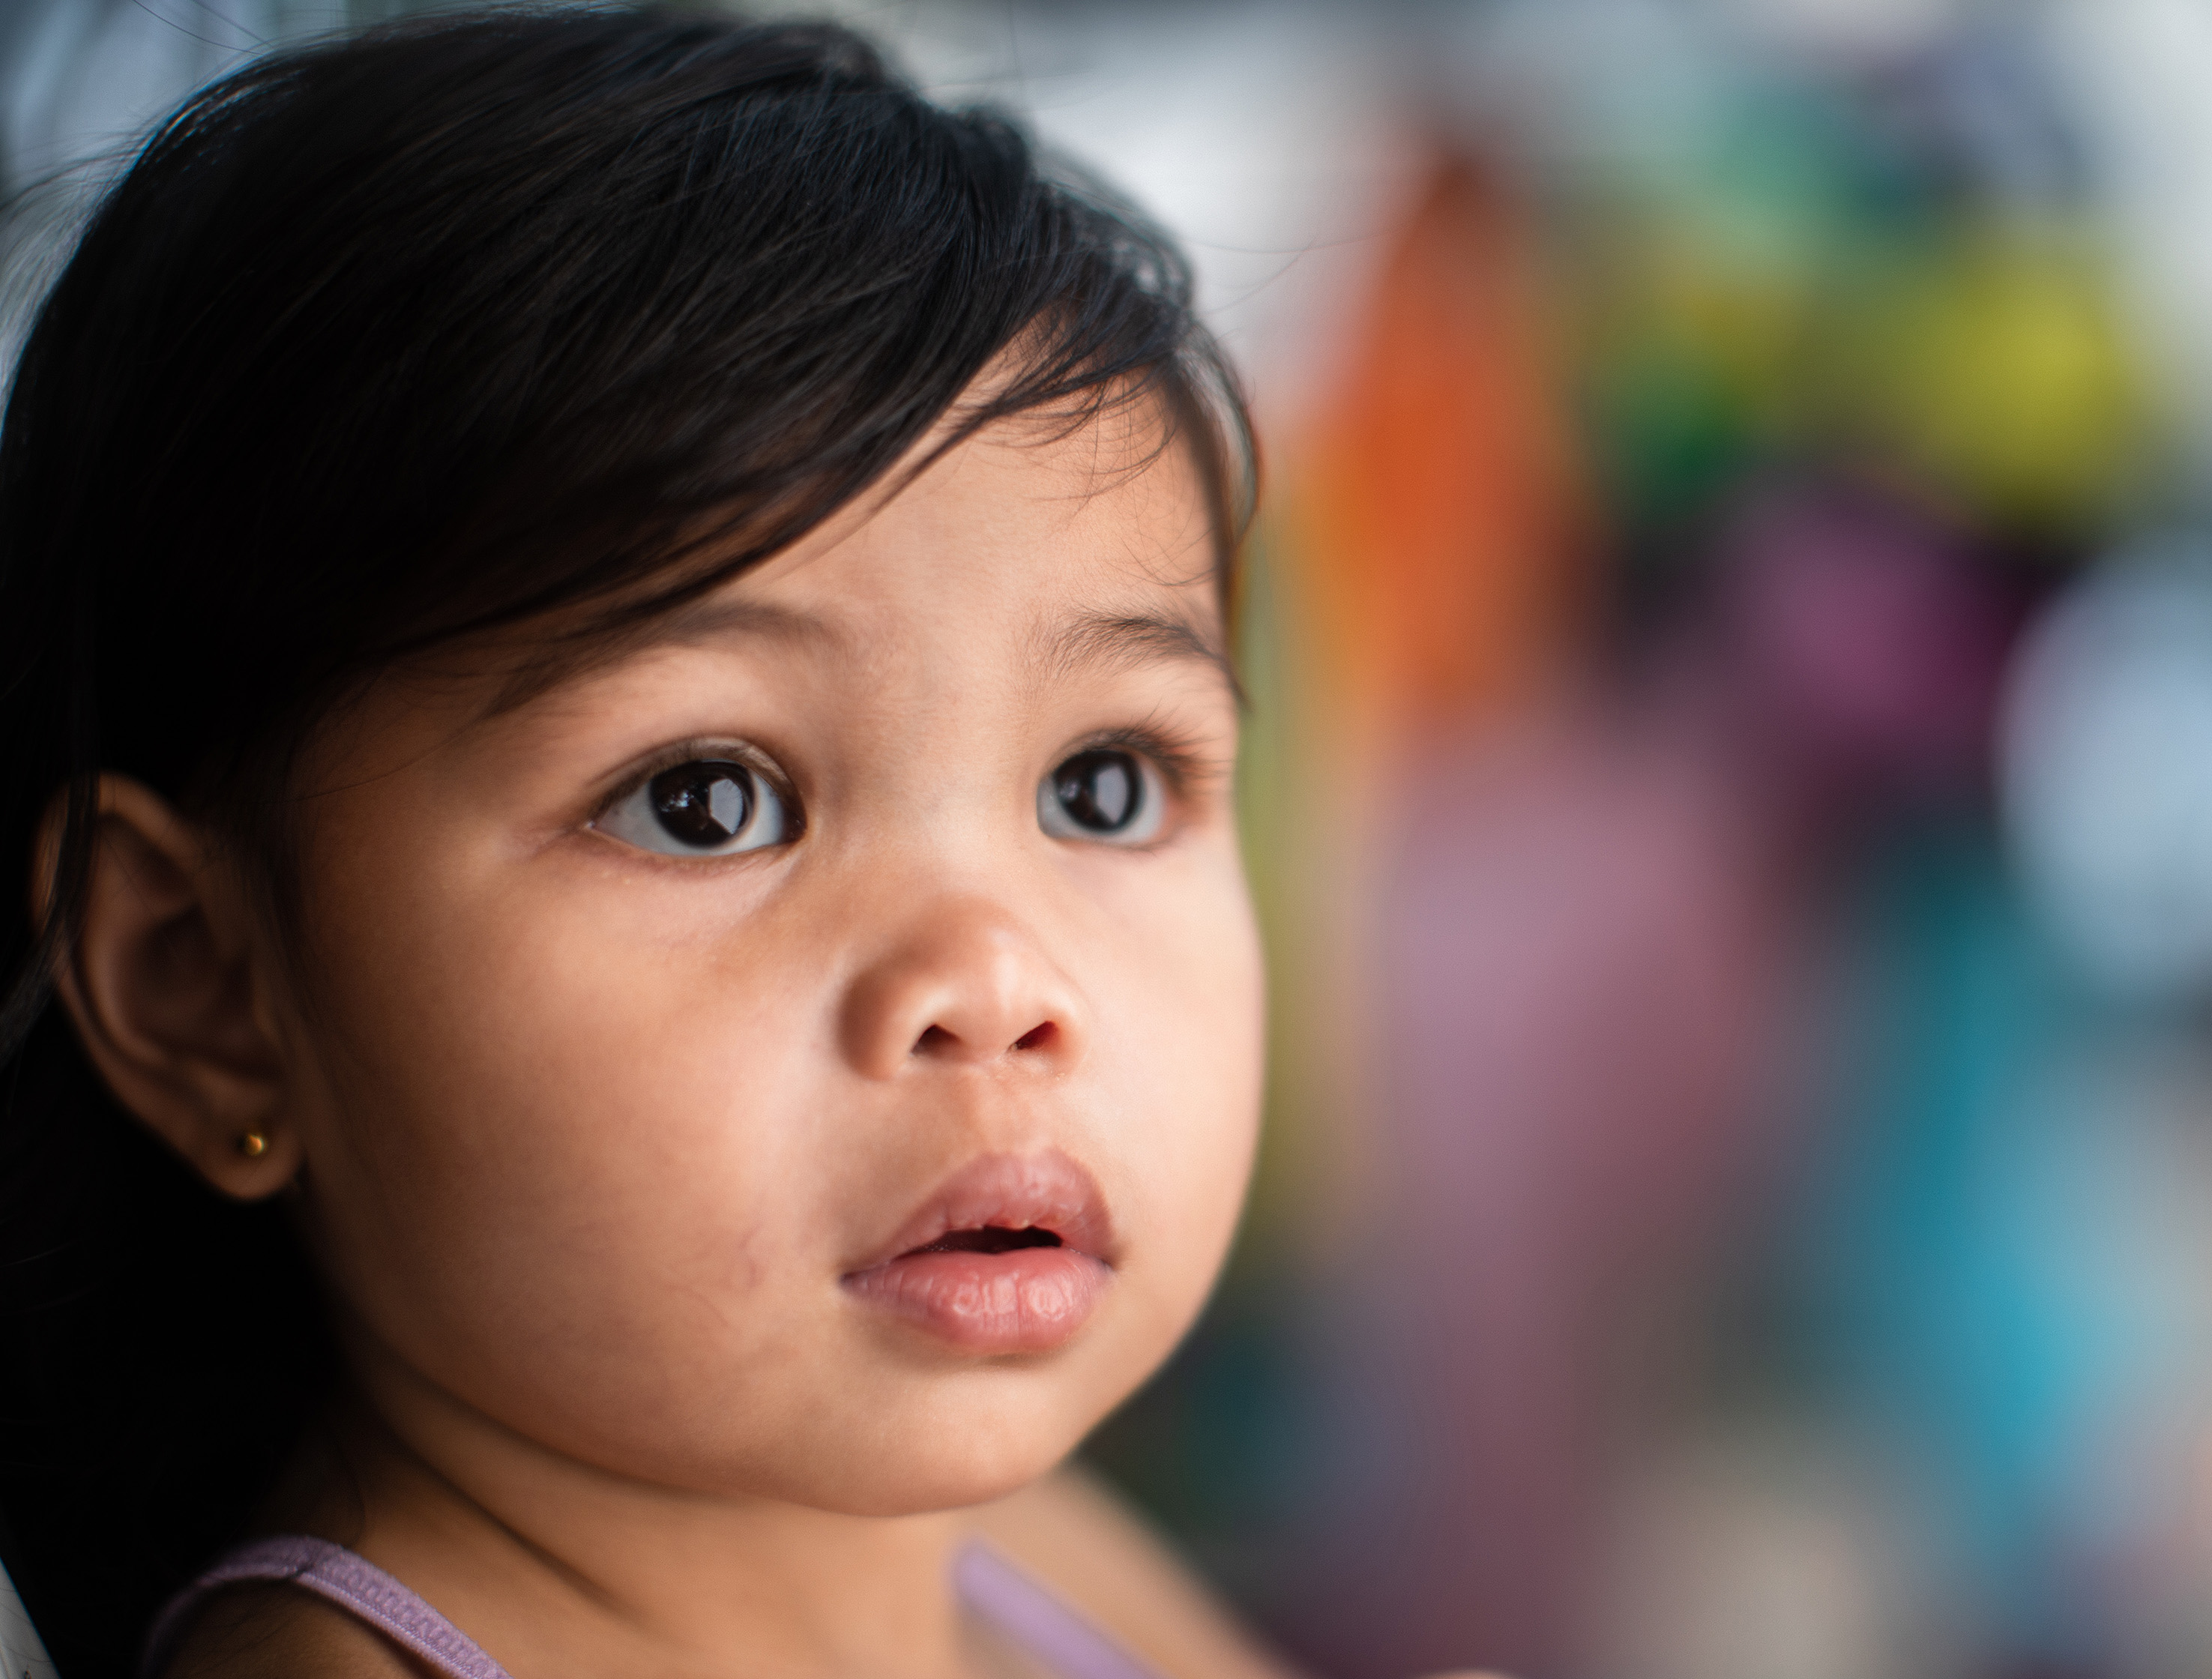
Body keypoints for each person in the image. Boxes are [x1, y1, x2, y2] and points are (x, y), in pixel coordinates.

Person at [0, 9, 1301, 1675]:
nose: (996, 984)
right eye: (706, 801)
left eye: (1102, 785)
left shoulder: (1026, 1553)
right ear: (208, 990)